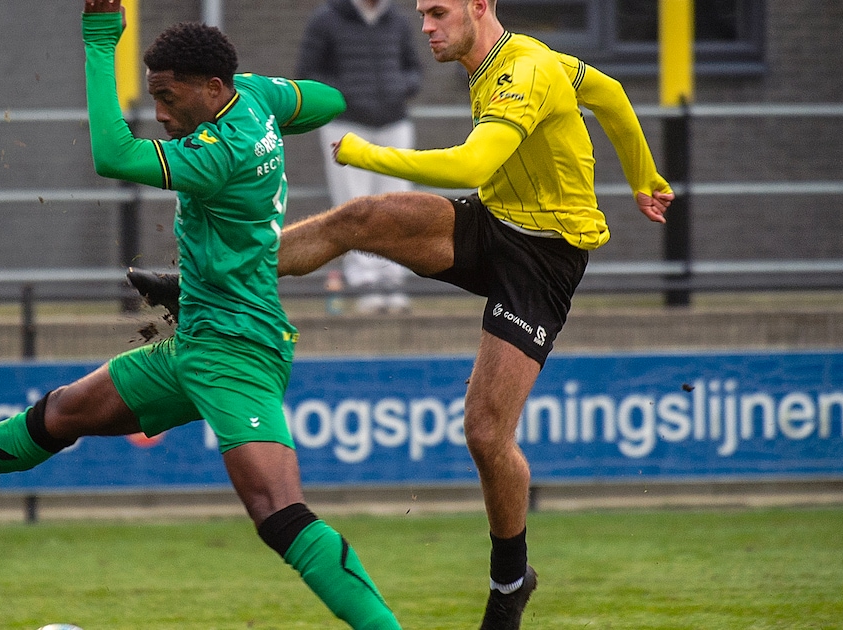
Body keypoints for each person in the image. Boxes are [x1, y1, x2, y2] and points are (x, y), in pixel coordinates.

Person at [0, 2, 402, 628]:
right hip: (200, 334)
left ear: (211, 88)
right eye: (154, 97)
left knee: (280, 514)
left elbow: (112, 155)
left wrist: (98, 37)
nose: (161, 113)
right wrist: (268, 102)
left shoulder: (216, 153)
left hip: (236, 351)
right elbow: (329, 100)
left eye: (168, 98)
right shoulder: (253, 99)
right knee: (62, 411)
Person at [130, 1, 675, 627]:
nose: (425, 28)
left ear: (480, 7)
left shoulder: (523, 72)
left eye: (438, 13)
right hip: (491, 222)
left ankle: (509, 581)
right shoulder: (516, 60)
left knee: (485, 433)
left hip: (545, 261)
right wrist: (643, 175)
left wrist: (367, 154)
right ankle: (198, 283)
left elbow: (471, 163)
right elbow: (606, 91)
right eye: (421, 13)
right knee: (359, 220)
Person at [296, 0, 424, 314]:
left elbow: (414, 68)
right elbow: (308, 73)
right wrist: (347, 96)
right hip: (345, 126)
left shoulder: (397, 19)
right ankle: (365, 282)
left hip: (394, 122)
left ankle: (393, 281)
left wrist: (399, 88)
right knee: (354, 204)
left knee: (397, 204)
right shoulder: (326, 19)